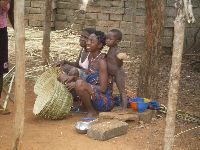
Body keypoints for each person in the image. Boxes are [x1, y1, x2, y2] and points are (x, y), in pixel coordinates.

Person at [58, 31, 114, 117]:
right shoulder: (92, 57)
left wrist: (78, 83)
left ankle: (92, 111)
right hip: (93, 94)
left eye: (92, 41)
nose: (88, 42)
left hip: (104, 101)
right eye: (88, 40)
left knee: (79, 84)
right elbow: (89, 77)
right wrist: (74, 78)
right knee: (62, 76)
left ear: (99, 45)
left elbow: (103, 88)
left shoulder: (102, 61)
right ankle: (80, 104)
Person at [106, 29, 128, 111]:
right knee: (110, 89)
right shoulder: (111, 49)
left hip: (118, 73)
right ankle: (115, 105)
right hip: (111, 74)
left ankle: (124, 109)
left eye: (110, 39)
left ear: (117, 41)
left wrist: (120, 58)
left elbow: (119, 64)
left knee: (122, 90)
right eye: (107, 38)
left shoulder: (117, 50)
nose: (107, 40)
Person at [0, 0, 14, 114]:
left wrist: (18, 30)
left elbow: (11, 12)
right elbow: (3, 4)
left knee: (0, 70)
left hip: (2, 32)